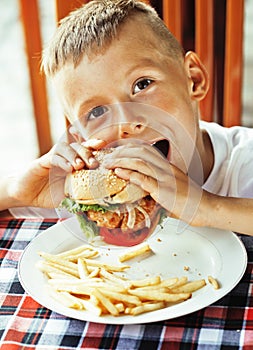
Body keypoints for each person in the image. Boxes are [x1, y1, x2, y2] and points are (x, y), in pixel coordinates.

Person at [0, 0, 253, 236]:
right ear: (81, 137)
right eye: (97, 112)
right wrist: (14, 191)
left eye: (142, 84)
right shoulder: (89, 191)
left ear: (193, 79)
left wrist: (208, 206)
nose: (126, 124)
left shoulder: (245, 160)